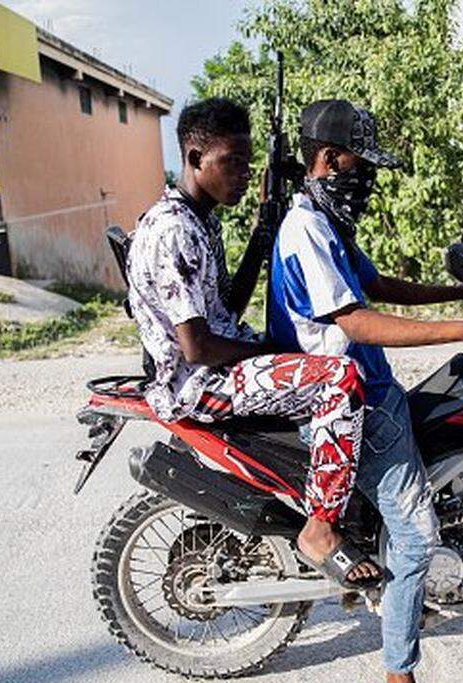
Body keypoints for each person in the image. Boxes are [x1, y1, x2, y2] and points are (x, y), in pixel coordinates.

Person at [268, 99, 463, 683]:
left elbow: (377, 285)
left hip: (370, 388)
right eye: (363, 166)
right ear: (329, 160)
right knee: (417, 537)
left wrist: (460, 296)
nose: (371, 180)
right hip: (350, 402)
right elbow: (355, 321)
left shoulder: (327, 223)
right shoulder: (304, 230)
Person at [126, 97, 381, 588]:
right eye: (232, 162)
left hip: (213, 365)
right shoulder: (173, 229)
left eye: (247, 163)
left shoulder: (199, 218)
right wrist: (270, 353)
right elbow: (198, 346)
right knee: (340, 379)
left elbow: (225, 309)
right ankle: (321, 530)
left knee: (318, 357)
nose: (243, 174)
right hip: (200, 382)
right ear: (196, 158)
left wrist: (261, 237)